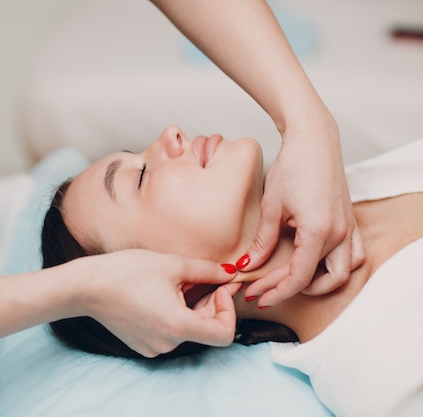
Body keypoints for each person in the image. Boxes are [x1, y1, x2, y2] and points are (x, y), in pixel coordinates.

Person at [0, 0, 360, 416]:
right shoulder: (375, 356)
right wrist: (77, 288)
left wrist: (309, 119)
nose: (168, 134)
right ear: (185, 292)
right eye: (138, 176)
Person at [40, 125, 423, 417]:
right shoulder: (383, 370)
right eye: (139, 177)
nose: (170, 134)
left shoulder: (348, 182)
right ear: (176, 291)